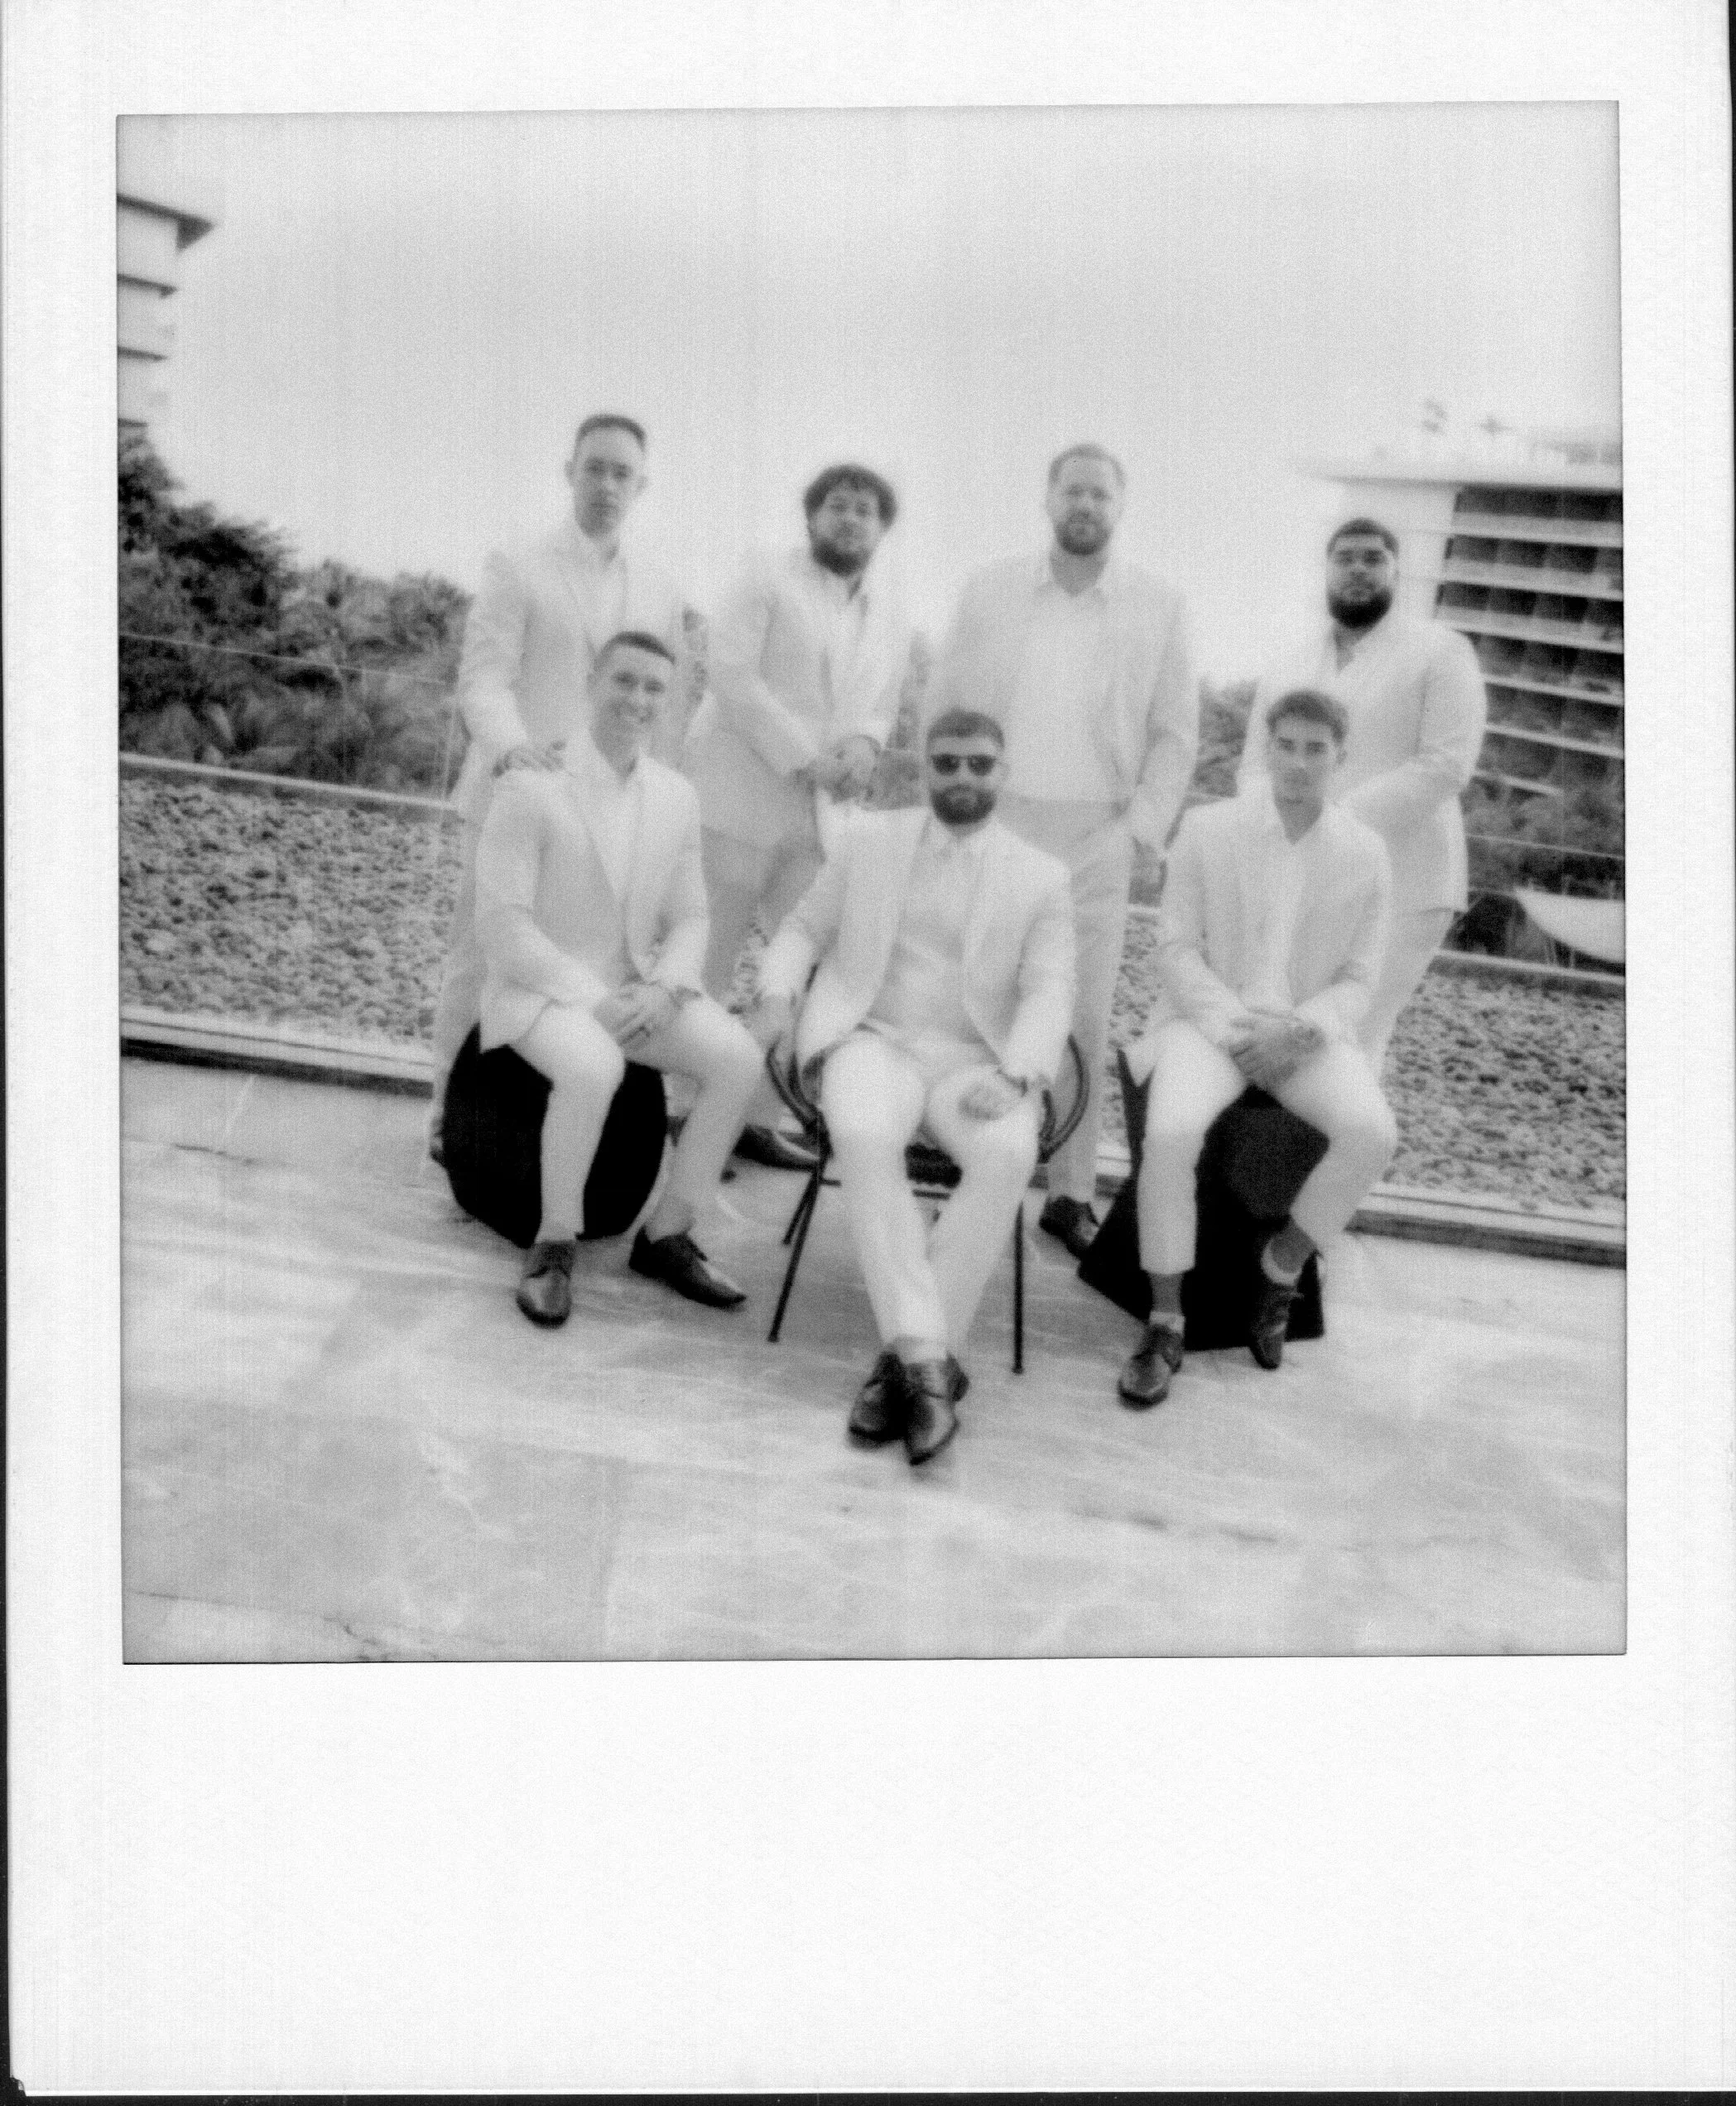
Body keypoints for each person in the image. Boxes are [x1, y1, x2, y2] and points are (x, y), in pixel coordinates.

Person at [754, 709, 1075, 1465]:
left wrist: (1016, 1071)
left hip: (975, 1057)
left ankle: (903, 1360)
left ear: (1003, 773)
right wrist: (776, 994)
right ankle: (932, 1365)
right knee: (864, 1135)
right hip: (873, 1038)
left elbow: (1050, 990)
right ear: (924, 768)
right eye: (947, 763)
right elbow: (801, 928)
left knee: (1006, 1151)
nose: (961, 777)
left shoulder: (1041, 876)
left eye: (978, 764)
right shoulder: (869, 841)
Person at [928, 443, 1198, 1259]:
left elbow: (1177, 735)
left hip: (1097, 834)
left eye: (1102, 494)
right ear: (1047, 499)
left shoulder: (1161, 602)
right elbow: (943, 702)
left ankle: (1071, 1192)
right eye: (1072, 490)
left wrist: (1140, 830)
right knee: (979, 1003)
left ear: (1122, 506)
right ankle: (964, 1175)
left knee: (1081, 1012)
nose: (1086, 505)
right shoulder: (990, 588)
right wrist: (950, 811)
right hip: (998, 822)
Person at [474, 631, 762, 1327]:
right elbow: (504, 931)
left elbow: (692, 915)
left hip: (634, 988)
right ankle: (554, 1242)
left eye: (654, 688)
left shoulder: (675, 796)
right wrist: (597, 1001)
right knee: (595, 1065)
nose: (638, 700)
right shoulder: (530, 783)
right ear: (591, 684)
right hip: (539, 993)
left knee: (738, 1058)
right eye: (623, 682)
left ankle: (666, 1235)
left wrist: (667, 988)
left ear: (670, 703)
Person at [1118, 689, 1397, 1407]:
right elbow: (1175, 949)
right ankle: (1164, 1321)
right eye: (1286, 745)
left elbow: (1361, 979)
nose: (1299, 762)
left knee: (1372, 1134)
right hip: (1207, 1022)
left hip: (1303, 1034)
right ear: (1266, 749)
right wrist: (1237, 1031)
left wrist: (1300, 1032)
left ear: (1342, 758)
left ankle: (1279, 1271)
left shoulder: (1366, 853)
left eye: (1316, 749)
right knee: (1173, 1131)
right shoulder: (1209, 829)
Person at [428, 413, 691, 1158]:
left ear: (641, 486)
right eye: (594, 468)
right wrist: (513, 752)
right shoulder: (519, 561)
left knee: (583, 966)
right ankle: (448, 1117)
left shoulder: (661, 586)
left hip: (606, 817)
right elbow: (483, 676)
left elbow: (662, 704)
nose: (606, 485)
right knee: (479, 959)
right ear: (568, 471)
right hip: (517, 794)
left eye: (622, 473)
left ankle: (545, 1134)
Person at [685, 461, 914, 1171]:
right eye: (838, 506)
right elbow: (732, 674)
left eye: (866, 512)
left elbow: (882, 700)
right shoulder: (764, 573)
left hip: (820, 816)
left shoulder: (890, 606)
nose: (851, 520)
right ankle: (684, 1116)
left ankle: (753, 1114)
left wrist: (863, 747)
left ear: (881, 528)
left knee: (801, 962)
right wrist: (806, 755)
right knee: (707, 957)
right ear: (812, 516)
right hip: (737, 792)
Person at [1238, 516, 1488, 1070]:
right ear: (1325, 570)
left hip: (1407, 878)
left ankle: (1352, 1150)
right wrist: (1267, 833)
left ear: (1397, 573)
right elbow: (1255, 763)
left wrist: (1333, 823)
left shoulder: (1440, 651)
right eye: (1344, 557)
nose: (1357, 568)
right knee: (1290, 1025)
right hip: (1301, 878)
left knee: (1351, 1034)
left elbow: (1447, 763)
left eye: (1373, 559)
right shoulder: (1290, 663)